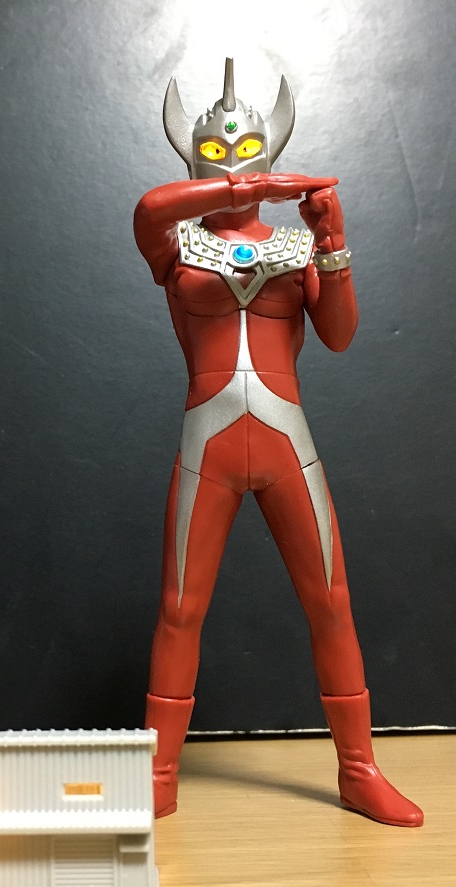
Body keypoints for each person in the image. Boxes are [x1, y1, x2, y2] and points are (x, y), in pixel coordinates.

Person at [133, 59, 421, 827]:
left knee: (330, 602)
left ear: (272, 145)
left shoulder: (293, 249)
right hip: (209, 444)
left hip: (287, 441)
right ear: (191, 153)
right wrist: (249, 187)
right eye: (215, 150)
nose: (232, 161)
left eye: (246, 150)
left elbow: (339, 335)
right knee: (179, 609)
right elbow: (149, 208)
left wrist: (331, 239)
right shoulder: (179, 242)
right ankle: (159, 775)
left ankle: (359, 770)